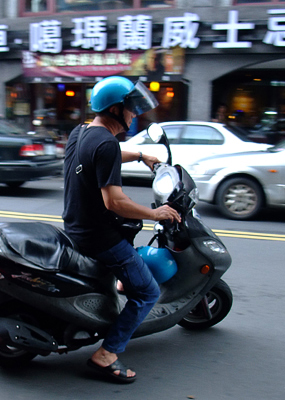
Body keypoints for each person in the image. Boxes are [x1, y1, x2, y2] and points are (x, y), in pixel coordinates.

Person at [62, 76, 180, 383]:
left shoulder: (81, 133)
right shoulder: (105, 145)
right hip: (99, 237)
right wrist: (155, 212)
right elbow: (114, 202)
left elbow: (105, 152)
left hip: (76, 227)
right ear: (116, 109)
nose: (135, 115)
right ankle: (106, 355)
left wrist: (141, 155)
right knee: (148, 291)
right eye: (131, 109)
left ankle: (118, 286)